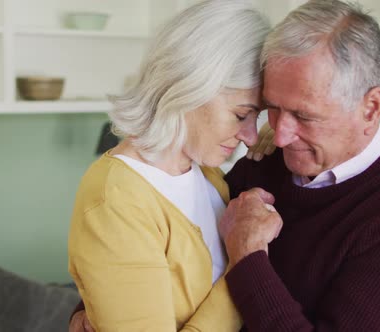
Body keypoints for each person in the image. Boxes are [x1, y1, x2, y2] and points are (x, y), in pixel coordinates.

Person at [219, 0, 380, 331]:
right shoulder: (265, 161)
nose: (281, 136)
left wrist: (247, 257)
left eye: (304, 116)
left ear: (371, 108)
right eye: (273, 108)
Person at [67, 1, 270, 331]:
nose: (250, 136)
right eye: (240, 114)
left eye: (258, 117)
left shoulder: (206, 174)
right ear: (190, 84)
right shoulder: (114, 201)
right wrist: (246, 265)